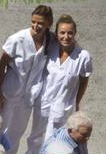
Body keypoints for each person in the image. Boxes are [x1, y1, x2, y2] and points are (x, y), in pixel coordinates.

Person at [0, 6, 54, 154]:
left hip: (30, 96)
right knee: (0, 128)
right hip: (10, 91)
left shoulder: (51, 40)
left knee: (17, 130)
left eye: (40, 23)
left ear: (49, 23)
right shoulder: (17, 39)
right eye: (33, 22)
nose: (36, 26)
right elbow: (2, 65)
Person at [35, 15, 93, 145]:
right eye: (62, 33)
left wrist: (77, 102)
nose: (66, 37)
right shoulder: (52, 47)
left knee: (52, 138)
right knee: (36, 133)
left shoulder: (83, 56)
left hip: (63, 104)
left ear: (75, 33)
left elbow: (84, 81)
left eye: (70, 33)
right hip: (44, 99)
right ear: (56, 33)